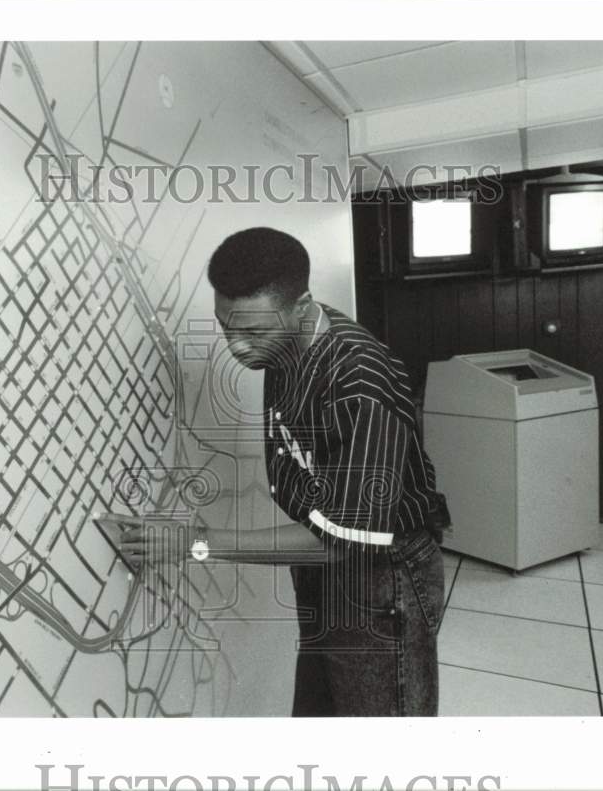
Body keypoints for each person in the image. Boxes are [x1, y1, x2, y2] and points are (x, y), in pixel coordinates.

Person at [98, 226, 450, 716]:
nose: (238, 348)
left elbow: (340, 540)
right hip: (323, 570)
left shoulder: (361, 382)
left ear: (302, 307)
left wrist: (194, 543)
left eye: (254, 333)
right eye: (227, 328)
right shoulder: (284, 345)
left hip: (381, 576)